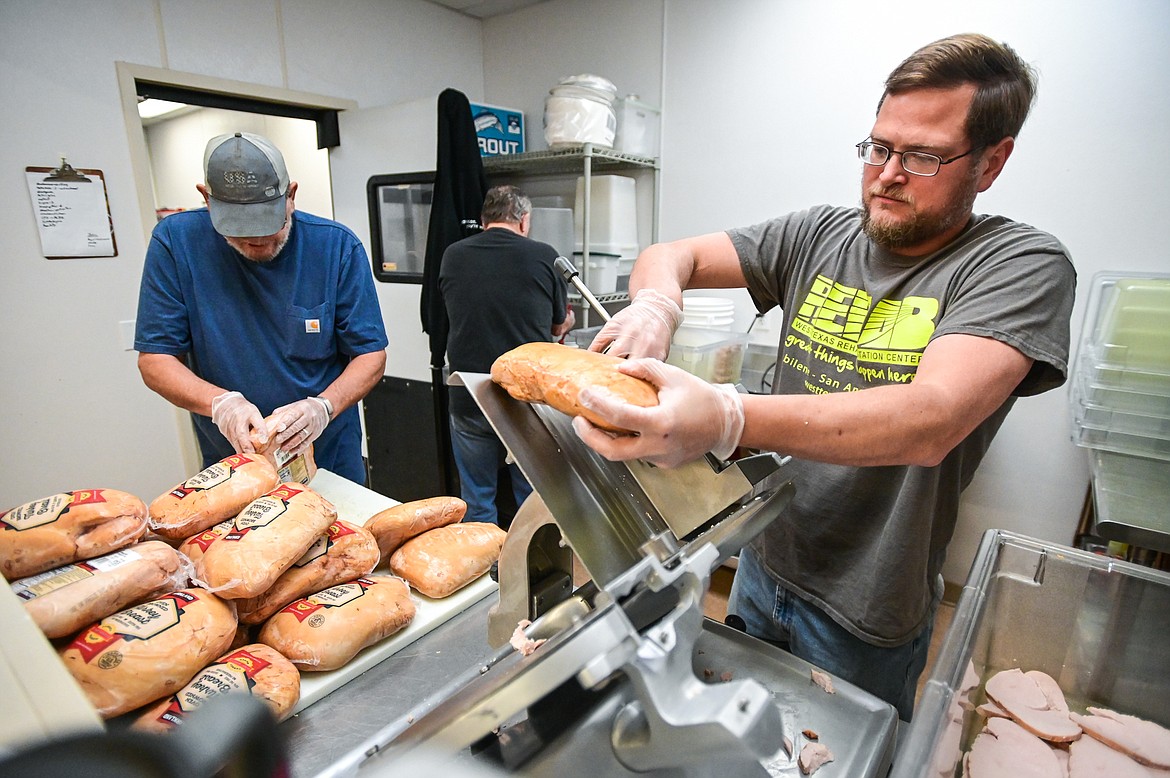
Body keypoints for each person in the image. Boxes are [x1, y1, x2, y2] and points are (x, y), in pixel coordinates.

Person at [572, 33, 1076, 721]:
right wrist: (657, 303)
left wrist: (729, 416)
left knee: (839, 754)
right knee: (740, 738)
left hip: (867, 607)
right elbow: (672, 254)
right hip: (764, 558)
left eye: (923, 156)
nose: (888, 174)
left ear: (992, 162)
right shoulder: (817, 234)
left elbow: (930, 419)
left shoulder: (1018, 265)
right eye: (879, 148)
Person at [135, 131, 388, 485]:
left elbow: (371, 355)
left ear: (292, 196)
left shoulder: (335, 247)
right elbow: (155, 361)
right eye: (239, 232)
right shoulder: (176, 244)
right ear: (207, 200)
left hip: (328, 456)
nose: (257, 241)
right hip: (235, 464)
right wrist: (221, 404)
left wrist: (323, 407)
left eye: (271, 227)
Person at [440, 185, 575, 525]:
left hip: (470, 393)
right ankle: (531, 571)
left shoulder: (453, 255)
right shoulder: (545, 256)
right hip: (524, 400)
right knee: (531, 499)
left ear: (485, 219)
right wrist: (566, 320)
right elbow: (559, 327)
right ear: (524, 220)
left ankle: (485, 571)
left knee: (477, 499)